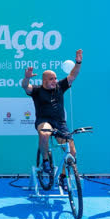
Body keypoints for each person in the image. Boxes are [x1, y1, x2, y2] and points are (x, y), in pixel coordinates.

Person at [22, 49, 83, 190]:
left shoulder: (60, 87)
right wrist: (27, 78)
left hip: (60, 123)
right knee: (44, 133)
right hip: (44, 121)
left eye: (55, 78)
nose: (55, 81)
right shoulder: (37, 90)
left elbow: (73, 74)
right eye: (51, 79)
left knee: (72, 152)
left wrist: (78, 62)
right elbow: (25, 86)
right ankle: (45, 161)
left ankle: (62, 177)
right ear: (44, 80)